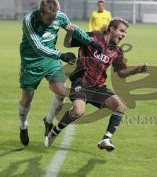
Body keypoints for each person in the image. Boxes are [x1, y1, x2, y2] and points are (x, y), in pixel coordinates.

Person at [45, 18, 148, 151]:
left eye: (125, 33)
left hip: (98, 87)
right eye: (121, 31)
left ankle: (106, 139)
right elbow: (68, 43)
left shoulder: (117, 51)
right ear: (112, 29)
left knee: (121, 106)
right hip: (80, 82)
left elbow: (121, 72)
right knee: (78, 111)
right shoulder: (92, 37)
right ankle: (54, 132)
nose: (123, 35)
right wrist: (70, 32)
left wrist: (137, 70)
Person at [19, 0, 102, 146]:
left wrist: (90, 42)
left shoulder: (60, 16)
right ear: (41, 13)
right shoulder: (29, 20)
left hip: (50, 61)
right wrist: (61, 55)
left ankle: (48, 121)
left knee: (61, 92)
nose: (53, 21)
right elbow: (37, 47)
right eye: (50, 19)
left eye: (55, 18)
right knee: (27, 98)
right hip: (31, 62)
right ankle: (23, 125)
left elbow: (73, 29)